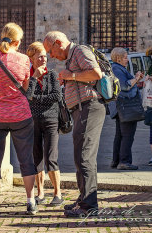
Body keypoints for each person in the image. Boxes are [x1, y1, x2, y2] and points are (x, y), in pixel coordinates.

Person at [43, 31, 104, 217]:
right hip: (80, 109)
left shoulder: (79, 51)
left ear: (59, 43)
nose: (51, 56)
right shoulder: (72, 57)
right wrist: (69, 77)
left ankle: (89, 205)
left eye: (51, 51)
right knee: (80, 156)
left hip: (89, 107)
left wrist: (71, 76)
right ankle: (83, 198)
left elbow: (96, 74)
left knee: (84, 156)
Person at [0, 23, 37, 217]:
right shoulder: (24, 59)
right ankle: (30, 202)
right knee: (26, 159)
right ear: (17, 41)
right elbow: (26, 87)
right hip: (21, 115)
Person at [26, 41, 63, 205]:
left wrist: (37, 98)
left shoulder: (52, 75)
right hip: (33, 121)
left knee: (51, 157)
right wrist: (34, 78)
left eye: (45, 56)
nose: (44, 59)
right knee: (37, 158)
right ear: (32, 58)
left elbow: (56, 96)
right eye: (40, 56)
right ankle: (40, 193)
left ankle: (58, 193)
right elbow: (27, 96)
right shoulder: (29, 76)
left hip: (51, 120)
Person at [108, 47, 144, 170]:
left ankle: (116, 161)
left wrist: (136, 78)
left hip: (121, 106)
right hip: (125, 106)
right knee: (127, 135)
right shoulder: (117, 69)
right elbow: (125, 86)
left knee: (120, 134)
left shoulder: (117, 68)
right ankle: (124, 161)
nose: (127, 59)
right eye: (125, 57)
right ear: (118, 58)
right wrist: (137, 78)